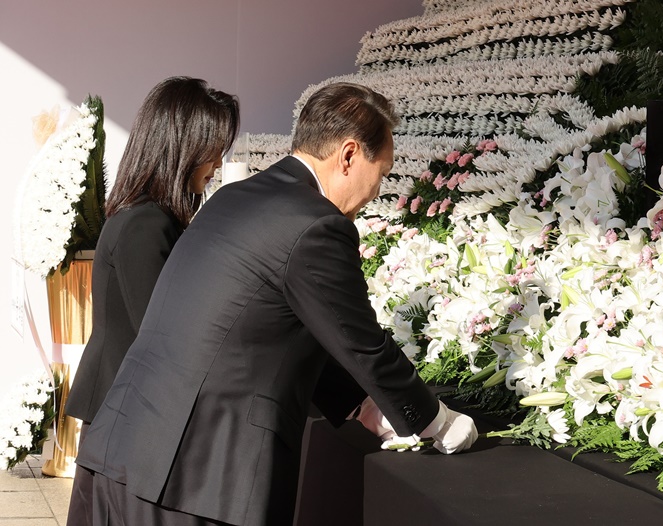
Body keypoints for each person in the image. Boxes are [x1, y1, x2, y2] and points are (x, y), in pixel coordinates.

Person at [76, 82, 478, 525]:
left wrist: (363, 407)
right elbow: (361, 343)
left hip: (123, 452)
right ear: (348, 156)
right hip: (196, 478)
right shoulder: (315, 225)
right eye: (380, 173)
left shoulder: (234, 199)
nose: (376, 192)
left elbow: (274, 329)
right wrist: (435, 421)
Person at [64, 76, 240, 526]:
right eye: (213, 147)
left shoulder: (142, 214)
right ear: (183, 144)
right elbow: (161, 334)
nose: (218, 163)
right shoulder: (148, 224)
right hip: (128, 415)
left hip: (121, 409)